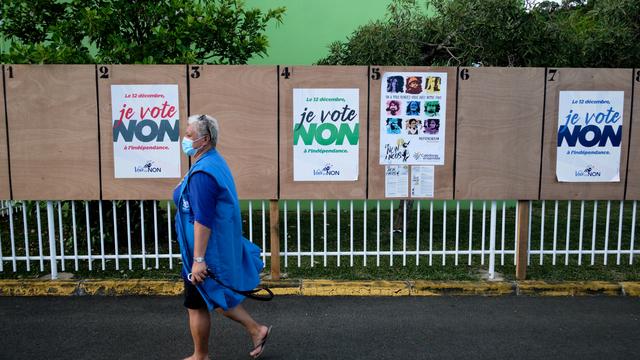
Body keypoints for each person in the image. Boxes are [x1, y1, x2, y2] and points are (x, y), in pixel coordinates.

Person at [173, 114, 271, 360]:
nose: (184, 138)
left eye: (188, 134)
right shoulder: (212, 162)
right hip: (209, 249)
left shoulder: (204, 174)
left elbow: (202, 219)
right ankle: (256, 330)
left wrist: (198, 259)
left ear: (204, 140)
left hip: (205, 252)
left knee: (197, 303)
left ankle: (200, 356)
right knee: (215, 298)